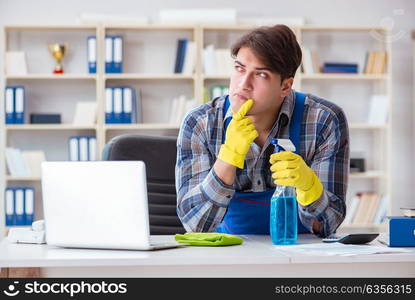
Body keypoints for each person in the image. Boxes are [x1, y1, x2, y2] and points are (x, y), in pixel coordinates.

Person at [175, 24, 349, 237]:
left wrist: (309, 187)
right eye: (239, 68)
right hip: (228, 257)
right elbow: (195, 226)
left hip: (298, 255)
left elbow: (328, 225)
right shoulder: (200, 123)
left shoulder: (324, 121)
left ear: (285, 86)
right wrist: (227, 158)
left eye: (261, 74)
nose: (243, 84)